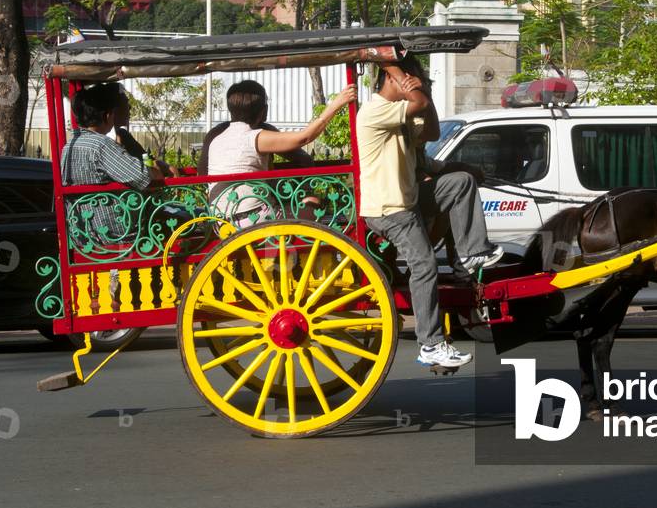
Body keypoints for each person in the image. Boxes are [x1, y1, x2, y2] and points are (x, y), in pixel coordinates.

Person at [357, 55, 503, 370]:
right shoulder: (375, 110)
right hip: (389, 208)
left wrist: (462, 166)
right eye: (411, 81)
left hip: (407, 199)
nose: (417, 87)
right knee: (424, 267)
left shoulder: (401, 114)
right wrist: (395, 68)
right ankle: (431, 345)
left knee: (459, 183)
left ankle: (472, 254)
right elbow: (419, 104)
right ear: (393, 80)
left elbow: (431, 134)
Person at [203, 79, 356, 227]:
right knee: (311, 202)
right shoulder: (254, 137)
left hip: (221, 222)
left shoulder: (217, 139)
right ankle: (290, 250)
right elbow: (304, 137)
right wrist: (336, 104)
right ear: (263, 111)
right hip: (253, 220)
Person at [61, 83, 163, 242]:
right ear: (107, 115)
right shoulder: (101, 146)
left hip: (82, 232)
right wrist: (155, 168)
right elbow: (145, 177)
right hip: (112, 234)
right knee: (173, 221)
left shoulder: (70, 145)